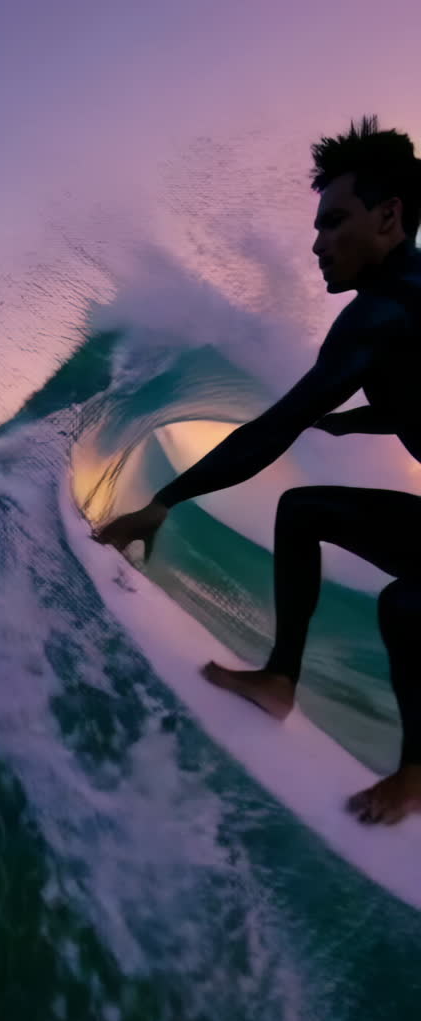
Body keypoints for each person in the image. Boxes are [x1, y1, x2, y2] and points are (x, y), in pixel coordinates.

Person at [97, 116, 421, 825]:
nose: (318, 244)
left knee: (406, 605)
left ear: (389, 215)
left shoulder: (382, 312)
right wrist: (355, 421)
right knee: (304, 511)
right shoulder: (407, 302)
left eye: (334, 221)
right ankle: (280, 679)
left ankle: (416, 773)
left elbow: (274, 427)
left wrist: (164, 501)